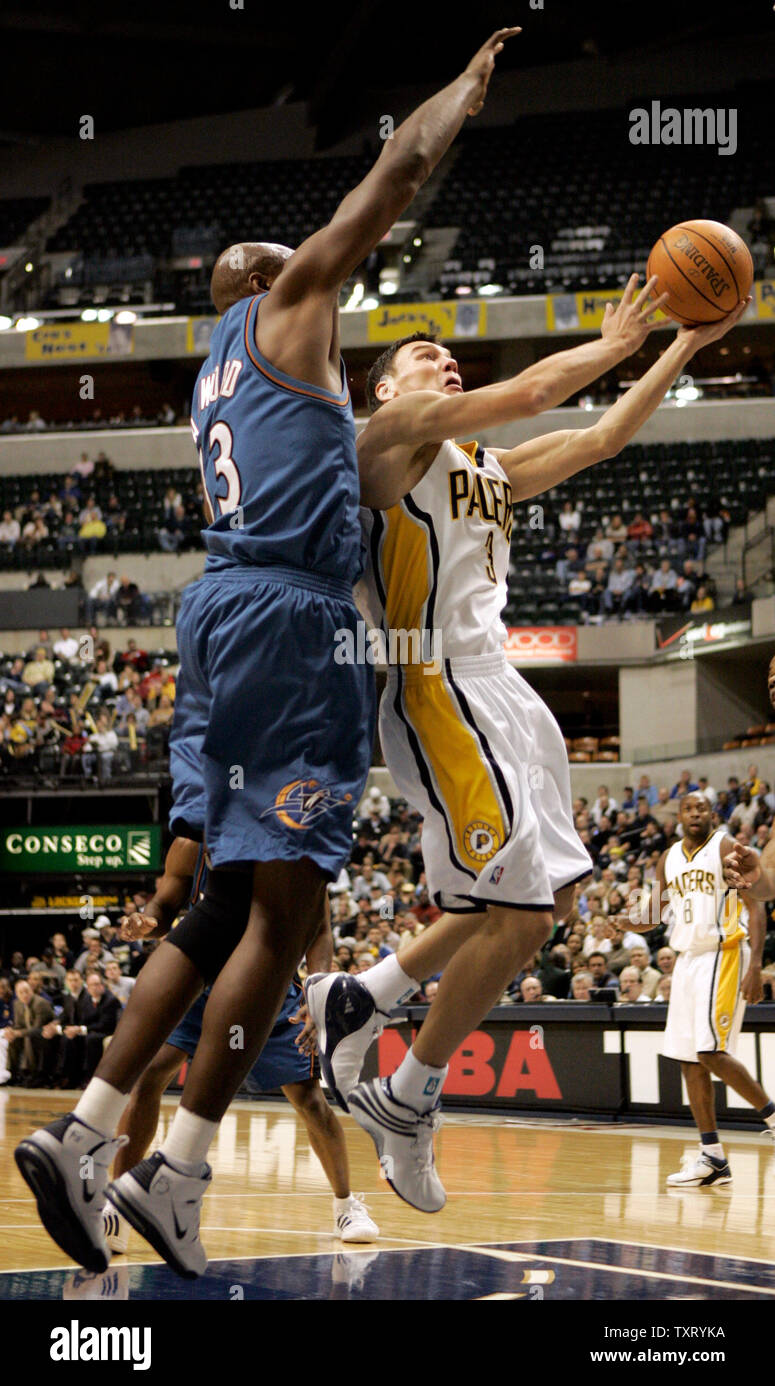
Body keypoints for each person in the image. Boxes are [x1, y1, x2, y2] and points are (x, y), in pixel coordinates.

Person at [15, 27, 520, 1278]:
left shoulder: (215, 379)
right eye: (291, 262)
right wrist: (454, 93)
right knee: (287, 919)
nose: (316, 267)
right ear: (265, 281)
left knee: (223, 906)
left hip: (225, 612)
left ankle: (89, 1130)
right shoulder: (289, 310)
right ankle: (177, 1163)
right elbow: (391, 181)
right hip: (296, 624)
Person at [308, 288, 749, 1211]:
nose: (439, 358)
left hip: (503, 688)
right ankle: (407, 1092)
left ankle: (367, 1001)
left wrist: (681, 345)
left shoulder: (481, 467)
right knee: (513, 909)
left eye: (443, 350)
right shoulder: (386, 443)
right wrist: (610, 341)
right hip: (436, 682)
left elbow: (599, 439)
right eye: (420, 353)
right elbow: (531, 391)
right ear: (383, 389)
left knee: (540, 908)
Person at [100, 837, 378, 1255]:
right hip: (199, 975)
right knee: (149, 1075)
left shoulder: (294, 843)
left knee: (309, 1100)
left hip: (269, 981)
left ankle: (345, 1204)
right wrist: (146, 921)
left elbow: (319, 928)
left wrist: (318, 989)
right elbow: (164, 907)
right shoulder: (191, 844)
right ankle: (119, 1203)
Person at [652, 793, 775, 1186]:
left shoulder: (724, 846)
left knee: (710, 1051)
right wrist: (625, 921)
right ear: (679, 816)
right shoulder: (667, 858)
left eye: (701, 808)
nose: (694, 813)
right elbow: (653, 911)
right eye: (688, 808)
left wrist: (755, 963)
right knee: (690, 1060)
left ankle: (772, 1115)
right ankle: (713, 1158)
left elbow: (756, 902)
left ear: (712, 814)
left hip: (722, 953)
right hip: (687, 959)